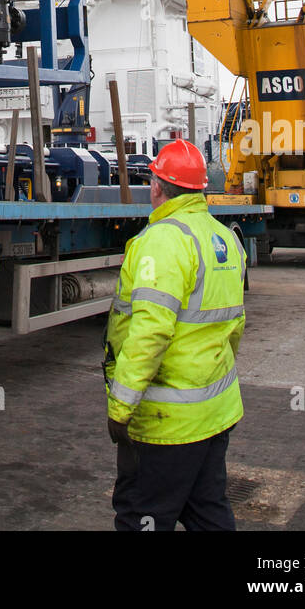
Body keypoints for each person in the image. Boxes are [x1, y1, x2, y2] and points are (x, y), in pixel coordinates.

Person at [103, 138, 246, 531]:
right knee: (207, 511)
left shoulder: (163, 241)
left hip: (169, 426)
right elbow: (233, 328)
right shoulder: (226, 240)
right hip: (215, 414)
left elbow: (151, 333)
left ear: (157, 187)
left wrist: (121, 406)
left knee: (142, 517)